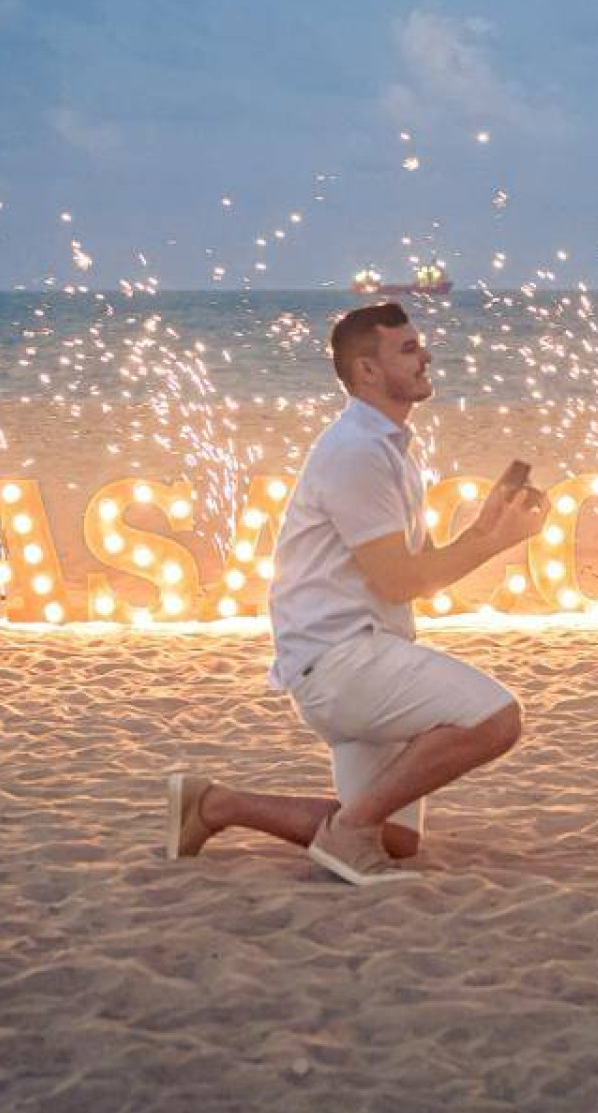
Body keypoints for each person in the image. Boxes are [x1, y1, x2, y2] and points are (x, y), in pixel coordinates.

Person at [165, 302, 545, 885]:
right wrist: (497, 545)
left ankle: (214, 805)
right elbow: (401, 582)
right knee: (496, 719)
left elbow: (417, 569)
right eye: (408, 349)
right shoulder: (357, 453)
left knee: (398, 841)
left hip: (355, 657)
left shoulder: (385, 447)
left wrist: (485, 528)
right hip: (343, 661)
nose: (425, 357)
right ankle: (349, 831)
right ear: (367, 371)